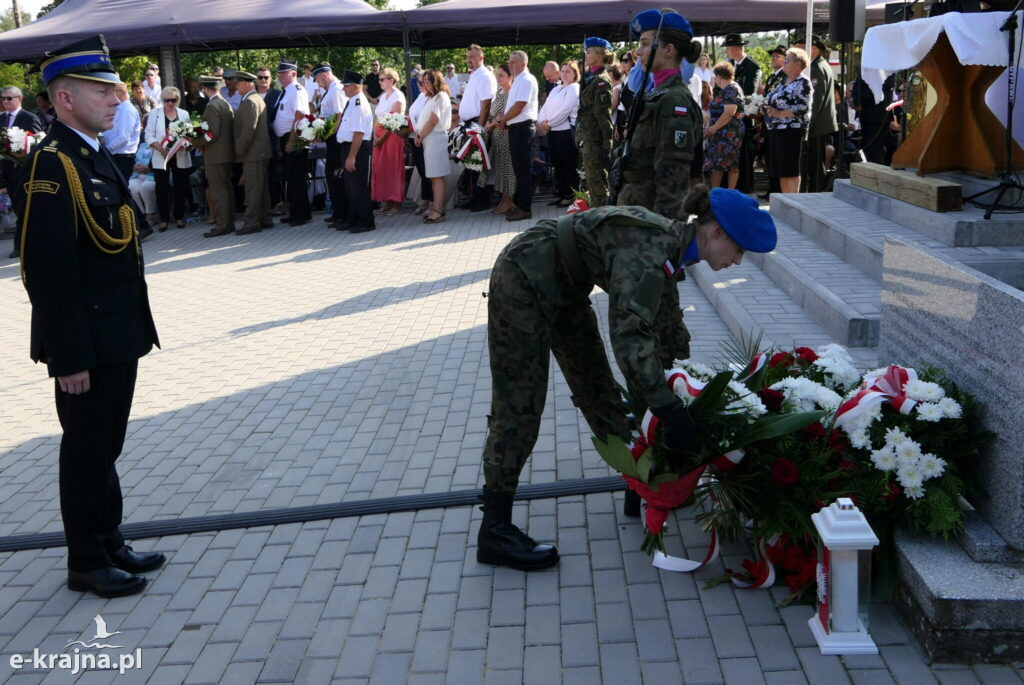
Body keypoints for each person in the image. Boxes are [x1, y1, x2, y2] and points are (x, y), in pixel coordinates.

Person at [477, 186, 778, 570]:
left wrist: (676, 393)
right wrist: (668, 411)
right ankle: (495, 530)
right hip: (522, 278)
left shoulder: (674, 250)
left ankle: (640, 482)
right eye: (739, 250)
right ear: (716, 231)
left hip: (565, 287)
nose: (738, 261)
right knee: (519, 407)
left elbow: (662, 327)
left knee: (600, 394)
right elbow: (630, 340)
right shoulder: (652, 253)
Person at [19, 34, 164, 598]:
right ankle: (85, 561)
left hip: (118, 330)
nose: (115, 100)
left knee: (107, 444)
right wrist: (69, 356)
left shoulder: (91, 152)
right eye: (102, 90)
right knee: (84, 450)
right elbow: (47, 272)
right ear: (63, 99)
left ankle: (108, 539)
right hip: (86, 342)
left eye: (117, 90)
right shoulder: (52, 164)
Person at [615, 8, 703, 221]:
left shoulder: (674, 101)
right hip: (637, 209)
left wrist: (663, 235)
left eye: (645, 44)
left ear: (669, 50)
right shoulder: (656, 93)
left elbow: (673, 182)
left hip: (650, 220)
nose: (638, 52)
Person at [495, 50, 538, 222]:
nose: (510, 64)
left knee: (522, 169)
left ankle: (525, 208)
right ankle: (520, 205)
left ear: (523, 64)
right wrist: (505, 121)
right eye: (510, 61)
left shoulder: (526, 80)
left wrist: (503, 120)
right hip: (515, 127)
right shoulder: (519, 80)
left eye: (513, 62)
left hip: (522, 127)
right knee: (519, 169)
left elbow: (520, 105)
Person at [191, 75, 235, 238]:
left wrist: (198, 142)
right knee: (226, 190)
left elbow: (212, 134)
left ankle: (223, 224)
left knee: (219, 191)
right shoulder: (225, 103)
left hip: (216, 155)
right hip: (226, 154)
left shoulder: (212, 106)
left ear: (207, 89)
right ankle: (228, 222)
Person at [3, 86, 44, 259]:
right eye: (3, 99)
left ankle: (22, 245)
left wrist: (23, 152)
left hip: (24, 170)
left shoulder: (29, 117)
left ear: (19, 99)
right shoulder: (2, 119)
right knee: (18, 207)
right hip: (7, 172)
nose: (5, 102)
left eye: (9, 98)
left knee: (26, 207)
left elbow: (39, 141)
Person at [764, 48, 812, 195]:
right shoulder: (783, 83)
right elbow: (768, 99)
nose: (783, 62)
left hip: (791, 131)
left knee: (790, 168)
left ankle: (793, 201)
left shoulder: (803, 82)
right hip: (776, 131)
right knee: (781, 169)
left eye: (787, 60)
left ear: (798, 64)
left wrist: (779, 113)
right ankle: (785, 201)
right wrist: (764, 108)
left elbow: (802, 107)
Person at [144, 86, 193, 230]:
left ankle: (179, 217)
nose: (170, 103)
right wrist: (161, 149)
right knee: (162, 188)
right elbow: (148, 135)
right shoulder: (154, 114)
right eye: (167, 100)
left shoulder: (184, 114)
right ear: (163, 100)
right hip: (161, 156)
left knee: (180, 187)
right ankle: (164, 219)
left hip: (180, 155)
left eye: (173, 100)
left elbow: (188, 135)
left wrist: (187, 144)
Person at [233, 70, 274, 235]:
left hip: (254, 153)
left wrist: (240, 149)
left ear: (245, 83)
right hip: (261, 152)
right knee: (261, 188)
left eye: (237, 83)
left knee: (253, 190)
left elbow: (249, 130)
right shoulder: (255, 99)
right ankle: (265, 218)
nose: (236, 87)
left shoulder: (250, 101)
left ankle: (251, 223)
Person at [576, 37, 615, 208]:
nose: (586, 54)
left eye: (589, 52)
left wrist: (607, 141)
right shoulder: (591, 78)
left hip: (596, 140)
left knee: (599, 184)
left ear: (599, 56)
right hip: (589, 137)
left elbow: (603, 115)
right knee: (593, 184)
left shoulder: (600, 81)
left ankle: (602, 217)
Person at [795, 34, 837, 192]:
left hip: (818, 124)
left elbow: (816, 100)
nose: (799, 51)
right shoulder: (815, 65)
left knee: (816, 162)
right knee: (812, 161)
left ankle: (816, 192)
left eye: (801, 47)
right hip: (818, 123)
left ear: (813, 49)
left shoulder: (817, 68)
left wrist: (808, 123)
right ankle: (813, 189)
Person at [459, 44, 498, 212]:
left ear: (481, 58)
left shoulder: (484, 76)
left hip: (477, 122)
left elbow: (486, 105)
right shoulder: (474, 75)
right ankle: (474, 197)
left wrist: (480, 128)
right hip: (470, 122)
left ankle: (482, 200)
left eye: (473, 57)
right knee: (472, 164)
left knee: (478, 164)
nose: (469, 60)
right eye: (468, 57)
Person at [273, 59, 311, 226]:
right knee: (291, 177)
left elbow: (299, 116)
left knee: (297, 177)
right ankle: (296, 211)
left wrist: (291, 140)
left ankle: (302, 214)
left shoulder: (296, 90)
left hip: (294, 137)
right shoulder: (286, 91)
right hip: (285, 137)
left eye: (285, 73)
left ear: (294, 74)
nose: (281, 76)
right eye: (280, 73)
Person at [336, 70, 375, 233]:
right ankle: (355, 218)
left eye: (346, 86)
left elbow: (358, 132)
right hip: (349, 147)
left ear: (355, 86)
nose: (343, 89)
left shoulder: (359, 103)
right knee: (351, 187)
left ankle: (365, 221)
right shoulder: (352, 101)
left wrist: (351, 157)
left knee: (358, 186)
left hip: (356, 148)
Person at [537, 61, 580, 207]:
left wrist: (549, 123)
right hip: (553, 132)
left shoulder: (574, 88)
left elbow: (566, 110)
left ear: (575, 74)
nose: (565, 74)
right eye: (563, 71)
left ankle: (570, 195)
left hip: (566, 131)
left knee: (568, 164)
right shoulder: (556, 89)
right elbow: (545, 107)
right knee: (558, 164)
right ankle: (560, 193)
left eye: (568, 71)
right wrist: (541, 121)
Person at [722, 34, 760, 194]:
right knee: (728, 152)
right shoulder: (727, 65)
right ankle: (729, 185)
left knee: (743, 152)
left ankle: (744, 185)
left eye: (729, 48)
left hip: (743, 117)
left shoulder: (752, 66)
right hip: (727, 116)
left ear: (738, 48)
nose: (727, 52)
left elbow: (750, 92)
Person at [414, 69, 452, 224]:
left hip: (435, 138)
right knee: (433, 177)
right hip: (429, 139)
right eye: (424, 81)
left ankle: (438, 211)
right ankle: (435, 207)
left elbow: (432, 121)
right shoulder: (431, 97)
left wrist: (420, 135)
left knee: (437, 177)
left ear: (435, 81)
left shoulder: (441, 97)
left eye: (428, 81)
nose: (425, 84)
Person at [313, 64, 347, 228]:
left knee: (336, 177)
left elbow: (340, 116)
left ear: (325, 75)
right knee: (331, 177)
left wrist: (327, 133)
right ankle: (338, 212)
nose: (318, 83)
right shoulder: (330, 89)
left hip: (337, 139)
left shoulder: (336, 89)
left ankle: (342, 214)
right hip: (332, 138)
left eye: (318, 79)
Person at [481, 64, 517, 215]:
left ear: (510, 77)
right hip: (496, 135)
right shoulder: (498, 92)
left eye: (501, 75)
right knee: (500, 168)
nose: (498, 77)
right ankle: (504, 199)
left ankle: (509, 200)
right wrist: (489, 123)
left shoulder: (511, 94)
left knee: (507, 169)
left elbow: (505, 116)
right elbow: (493, 114)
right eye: (498, 74)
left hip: (505, 134)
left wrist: (491, 125)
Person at [371, 67, 407, 216]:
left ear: (391, 80)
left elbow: (394, 121)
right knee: (381, 169)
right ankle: (386, 200)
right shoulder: (384, 95)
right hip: (379, 134)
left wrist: (381, 138)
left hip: (391, 136)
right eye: (379, 79)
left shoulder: (397, 96)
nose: (380, 82)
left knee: (393, 168)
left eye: (382, 79)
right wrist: (375, 136)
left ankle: (396, 202)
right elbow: (377, 117)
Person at [703, 61, 744, 190]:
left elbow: (729, 112)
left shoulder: (732, 89)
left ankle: (730, 193)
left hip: (729, 133)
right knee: (717, 164)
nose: (715, 80)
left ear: (720, 76)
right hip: (719, 133)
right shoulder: (726, 90)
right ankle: (715, 192)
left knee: (730, 163)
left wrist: (714, 128)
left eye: (715, 77)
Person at [760, 45, 789, 199]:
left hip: (778, 122)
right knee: (769, 156)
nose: (773, 59)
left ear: (785, 59)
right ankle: (771, 188)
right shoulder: (772, 77)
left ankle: (777, 189)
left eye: (777, 56)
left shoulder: (785, 76)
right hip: (768, 121)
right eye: (773, 56)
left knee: (777, 157)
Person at [103, 82, 141, 181]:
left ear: (121, 92)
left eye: (113, 92)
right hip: (116, 155)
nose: (111, 95)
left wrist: (106, 151)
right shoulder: (120, 108)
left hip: (122, 158)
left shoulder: (127, 110)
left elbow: (123, 137)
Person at [128, 144, 157, 223]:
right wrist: (134, 167)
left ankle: (150, 214)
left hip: (154, 176)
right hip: (138, 174)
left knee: (145, 187)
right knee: (130, 186)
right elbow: (134, 159)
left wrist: (150, 169)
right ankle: (141, 214)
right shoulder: (142, 144)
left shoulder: (163, 143)